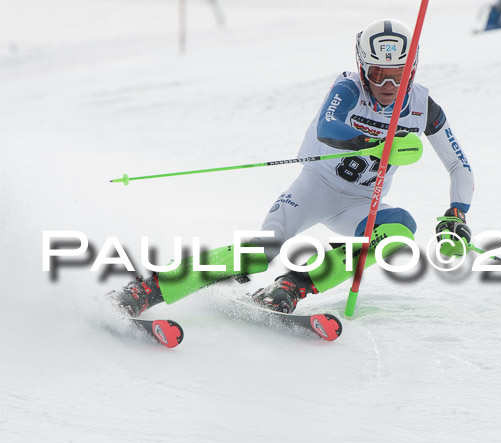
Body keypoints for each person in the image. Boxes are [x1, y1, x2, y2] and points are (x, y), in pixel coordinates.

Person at [109, 19, 475, 317]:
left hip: (361, 203)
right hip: (316, 187)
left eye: (399, 74)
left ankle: (291, 286)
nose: (389, 85)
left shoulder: (422, 106)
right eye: (379, 74)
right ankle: (149, 288)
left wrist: (456, 213)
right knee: (261, 252)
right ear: (363, 67)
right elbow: (328, 128)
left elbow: (458, 165)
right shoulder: (348, 87)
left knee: (400, 232)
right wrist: (375, 143)